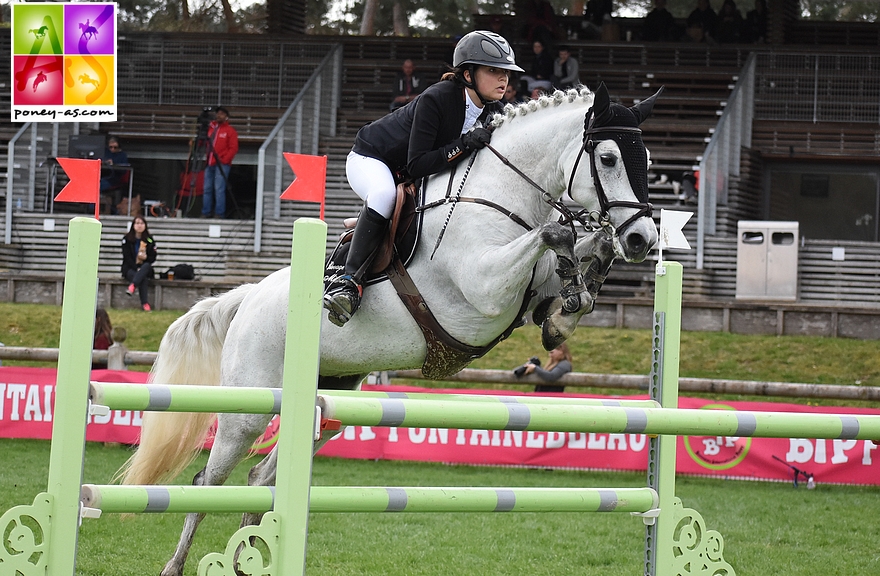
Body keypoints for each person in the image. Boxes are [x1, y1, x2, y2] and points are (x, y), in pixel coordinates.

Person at [323, 30, 523, 327]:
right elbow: (416, 164)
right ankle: (348, 282)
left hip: (411, 169)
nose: (503, 79)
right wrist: (465, 143)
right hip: (374, 159)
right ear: (468, 75)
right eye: (493, 71)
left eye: (505, 72)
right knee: (383, 196)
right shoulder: (438, 98)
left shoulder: (494, 110)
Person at [202, 106, 239, 219]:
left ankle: (219, 213)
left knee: (219, 188)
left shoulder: (230, 131)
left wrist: (224, 160)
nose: (219, 115)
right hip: (210, 163)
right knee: (207, 188)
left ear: (226, 116)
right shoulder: (211, 129)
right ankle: (206, 212)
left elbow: (233, 148)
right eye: (218, 113)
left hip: (222, 164)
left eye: (222, 113)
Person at [121, 215, 157, 312]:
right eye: (137, 223)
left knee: (146, 267)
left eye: (142, 223)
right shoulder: (127, 239)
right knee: (142, 278)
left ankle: (133, 285)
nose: (139, 226)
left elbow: (153, 258)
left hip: (144, 268)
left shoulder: (149, 239)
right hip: (130, 268)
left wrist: (146, 258)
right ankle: (145, 304)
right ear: (133, 225)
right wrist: (136, 268)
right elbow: (126, 257)